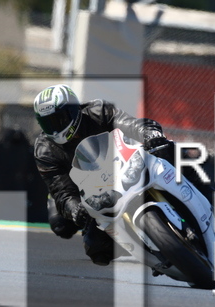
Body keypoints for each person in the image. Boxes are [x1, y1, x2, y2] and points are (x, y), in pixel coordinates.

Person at [33, 84, 175, 266]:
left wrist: (149, 133)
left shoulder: (98, 111)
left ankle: (203, 193)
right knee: (71, 232)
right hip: (82, 188)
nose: (54, 129)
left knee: (172, 152)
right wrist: (75, 208)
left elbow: (131, 124)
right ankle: (130, 243)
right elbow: (63, 192)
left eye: (58, 120)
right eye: (48, 123)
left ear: (73, 110)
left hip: (121, 163)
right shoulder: (45, 150)